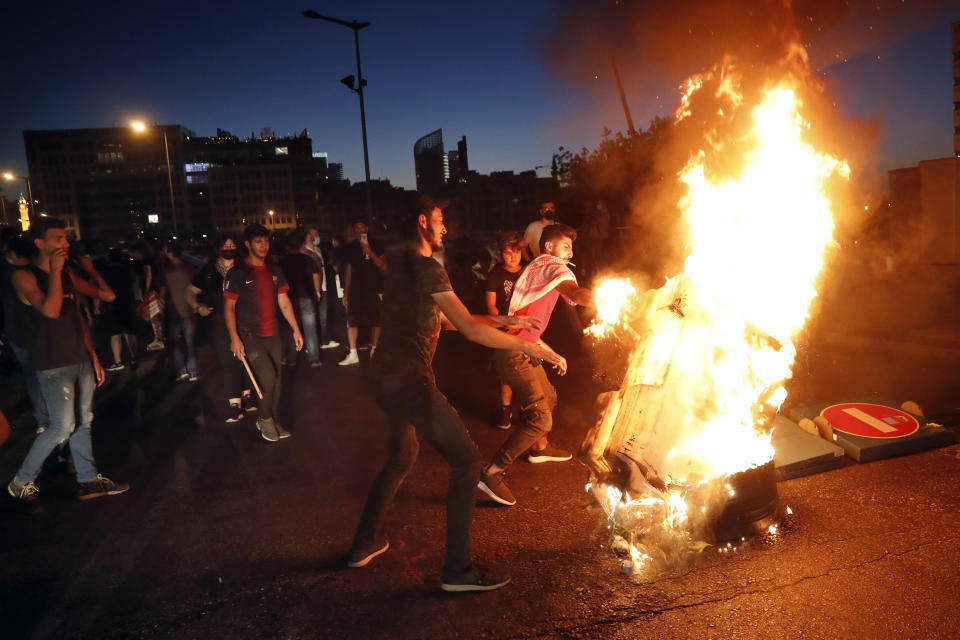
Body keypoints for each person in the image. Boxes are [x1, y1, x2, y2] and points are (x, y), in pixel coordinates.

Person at [347, 195, 564, 593]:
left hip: (382, 376)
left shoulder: (402, 266)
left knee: (401, 457)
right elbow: (467, 329)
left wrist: (504, 318)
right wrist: (530, 346)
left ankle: (363, 543)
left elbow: (446, 320)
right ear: (422, 221)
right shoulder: (427, 267)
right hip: (408, 380)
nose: (445, 227)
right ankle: (458, 571)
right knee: (466, 463)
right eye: (440, 220)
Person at [6, 217, 128, 506]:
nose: (65, 243)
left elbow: (94, 306)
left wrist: (93, 356)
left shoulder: (67, 275)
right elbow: (50, 310)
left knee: (84, 422)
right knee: (62, 427)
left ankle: (87, 480)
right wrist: (56, 271)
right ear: (39, 243)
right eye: (58, 239)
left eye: (66, 239)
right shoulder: (24, 276)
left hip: (79, 358)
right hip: (52, 364)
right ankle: (20, 482)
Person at [478, 224, 594, 507]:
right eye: (566, 246)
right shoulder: (553, 266)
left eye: (571, 247)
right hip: (513, 354)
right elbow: (576, 294)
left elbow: (528, 329)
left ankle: (539, 448)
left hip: (524, 348)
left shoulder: (540, 269)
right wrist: (614, 299)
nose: (571, 252)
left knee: (551, 397)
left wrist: (551, 353)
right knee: (541, 418)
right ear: (550, 248)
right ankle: (492, 472)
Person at [224, 224, 303, 442]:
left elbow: (284, 301)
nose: (263, 245)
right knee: (267, 377)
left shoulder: (274, 269)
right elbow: (229, 308)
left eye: (266, 240)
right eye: (258, 241)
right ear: (248, 244)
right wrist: (234, 339)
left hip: (273, 333)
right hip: (249, 334)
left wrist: (296, 329)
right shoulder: (238, 272)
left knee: (277, 379)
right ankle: (264, 418)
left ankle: (272, 418)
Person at [187, 235, 253, 422]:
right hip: (218, 322)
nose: (229, 248)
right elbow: (190, 292)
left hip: (244, 319)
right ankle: (235, 404)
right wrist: (198, 307)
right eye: (225, 245)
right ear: (218, 248)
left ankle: (247, 394)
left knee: (247, 356)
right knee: (228, 360)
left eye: (232, 245)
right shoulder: (208, 271)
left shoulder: (243, 267)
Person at [1, 235, 49, 434]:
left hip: (17, 332)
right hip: (42, 331)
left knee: (33, 377)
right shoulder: (39, 272)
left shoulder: (5, 273)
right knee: (48, 375)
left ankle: (43, 420)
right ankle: (55, 416)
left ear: (12, 253)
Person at [484, 231, 524, 429]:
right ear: (501, 254)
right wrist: (503, 322)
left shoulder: (526, 273)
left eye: (516, 252)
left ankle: (526, 410)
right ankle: (505, 409)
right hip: (504, 329)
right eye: (508, 253)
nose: (513, 257)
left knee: (527, 370)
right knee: (506, 372)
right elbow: (491, 305)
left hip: (526, 328)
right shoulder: (495, 275)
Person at [340, 219, 386, 366]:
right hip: (356, 290)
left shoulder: (376, 244)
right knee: (352, 321)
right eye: (356, 228)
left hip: (374, 289)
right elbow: (348, 270)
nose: (360, 230)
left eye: (362, 227)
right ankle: (353, 353)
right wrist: (345, 293)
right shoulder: (351, 247)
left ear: (367, 228)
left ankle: (375, 349)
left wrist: (369, 250)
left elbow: (383, 266)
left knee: (375, 320)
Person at [279, 229, 322, 367]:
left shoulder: (283, 262)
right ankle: (314, 357)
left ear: (287, 246)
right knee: (310, 327)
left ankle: (291, 358)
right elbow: (316, 275)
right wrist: (317, 290)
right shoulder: (308, 259)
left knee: (292, 328)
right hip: (307, 296)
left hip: (290, 298)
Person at [160, 241, 199, 382]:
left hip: (173, 311)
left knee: (175, 343)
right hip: (188, 310)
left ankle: (182, 371)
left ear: (169, 253)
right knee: (190, 342)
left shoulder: (166, 270)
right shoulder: (189, 268)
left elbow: (163, 292)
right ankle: (193, 371)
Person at [99, 247, 138, 372]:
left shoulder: (107, 273)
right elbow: (133, 283)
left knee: (115, 334)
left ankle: (118, 362)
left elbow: (101, 289)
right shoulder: (126, 270)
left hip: (112, 305)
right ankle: (133, 357)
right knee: (129, 331)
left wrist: (96, 306)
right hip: (126, 303)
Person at [303, 227, 340, 351]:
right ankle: (311, 344)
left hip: (322, 287)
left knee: (322, 316)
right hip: (311, 289)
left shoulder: (317, 249)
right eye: (315, 233)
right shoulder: (303, 251)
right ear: (309, 235)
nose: (317, 235)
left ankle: (322, 341)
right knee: (311, 318)